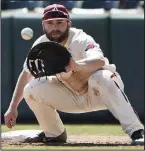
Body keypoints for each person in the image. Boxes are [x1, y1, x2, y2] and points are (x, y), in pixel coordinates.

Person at [4, 4, 144, 144]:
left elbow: (99, 61)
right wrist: (12, 107)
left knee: (102, 77)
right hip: (69, 96)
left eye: (60, 22)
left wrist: (76, 65)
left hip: (99, 94)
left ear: (68, 23)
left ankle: (137, 132)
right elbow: (26, 74)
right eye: (50, 23)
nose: (55, 27)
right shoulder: (41, 44)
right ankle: (54, 134)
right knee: (31, 89)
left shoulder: (80, 38)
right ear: (43, 25)